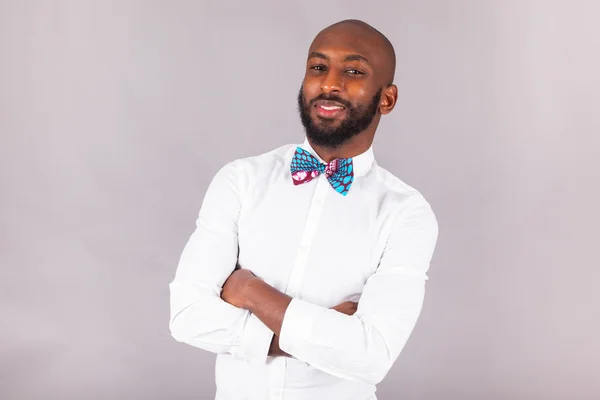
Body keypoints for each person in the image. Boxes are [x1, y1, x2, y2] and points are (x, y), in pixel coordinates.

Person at [169, 19, 439, 400]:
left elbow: (372, 356)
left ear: (387, 99)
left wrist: (250, 292)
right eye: (318, 67)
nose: (330, 83)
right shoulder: (240, 180)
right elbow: (187, 317)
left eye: (354, 71)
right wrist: (325, 335)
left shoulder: (406, 213)